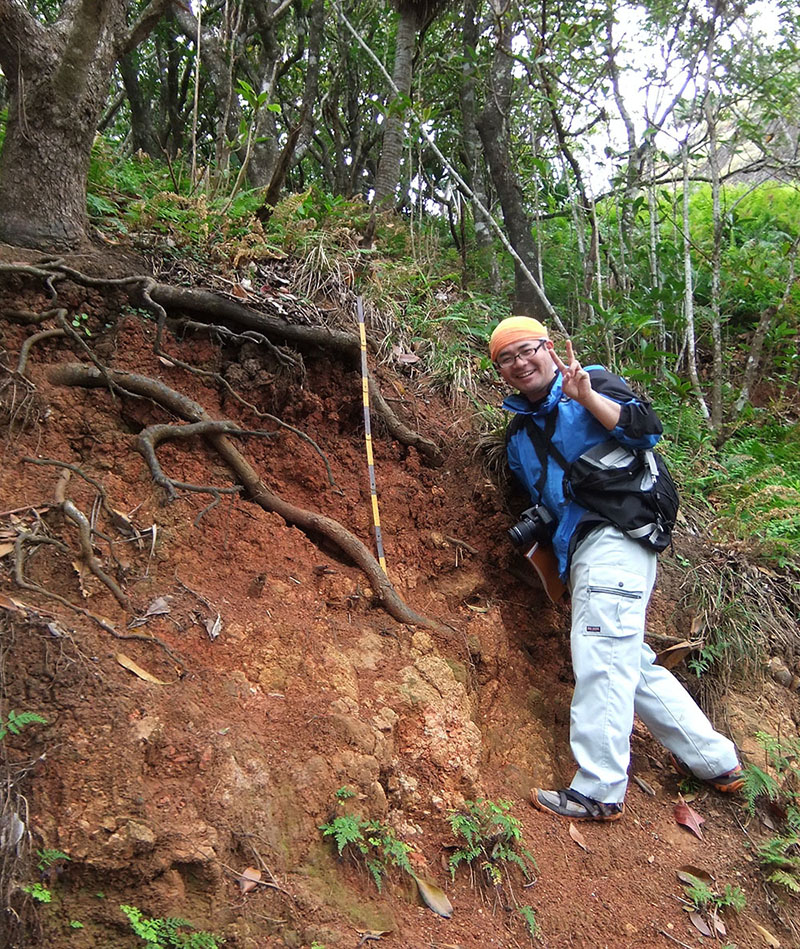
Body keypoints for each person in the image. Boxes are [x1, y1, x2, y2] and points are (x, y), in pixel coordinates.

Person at [490, 316, 743, 822]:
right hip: (579, 551)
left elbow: (646, 432)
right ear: (500, 371)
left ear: (549, 347)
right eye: (506, 358)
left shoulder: (592, 381)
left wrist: (586, 398)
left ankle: (600, 790)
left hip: (615, 537)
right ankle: (716, 762)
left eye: (527, 349)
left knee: (602, 654)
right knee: (630, 658)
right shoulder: (518, 434)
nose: (520, 362)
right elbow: (551, 499)